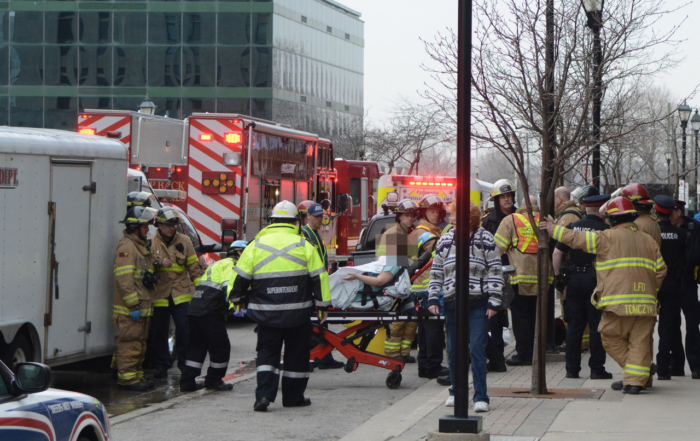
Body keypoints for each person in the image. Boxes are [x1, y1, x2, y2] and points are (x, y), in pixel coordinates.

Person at [541, 196, 667, 394]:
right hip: (646, 304)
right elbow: (661, 270)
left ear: (612, 219)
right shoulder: (649, 241)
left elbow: (576, 239)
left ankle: (637, 376)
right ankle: (636, 379)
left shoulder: (606, 238)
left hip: (617, 304)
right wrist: (650, 291)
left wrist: (552, 229)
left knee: (609, 337)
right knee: (640, 343)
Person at [228, 200, 331, 411]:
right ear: (295, 221)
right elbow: (319, 278)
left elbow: (239, 277)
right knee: (296, 356)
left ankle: (264, 396)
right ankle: (293, 398)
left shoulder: (255, 246)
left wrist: (236, 300)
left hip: (267, 315)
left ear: (271, 221)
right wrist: (323, 306)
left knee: (267, 354)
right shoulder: (305, 245)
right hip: (298, 313)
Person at [428, 201, 502, 411]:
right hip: (452, 303)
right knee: (453, 350)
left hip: (478, 303)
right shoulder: (446, 239)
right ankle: (455, 390)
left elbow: (495, 270)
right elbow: (437, 270)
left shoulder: (485, 238)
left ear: (469, 219)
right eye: (451, 215)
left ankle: (480, 397)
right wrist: (433, 298)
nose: (451, 219)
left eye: (455, 216)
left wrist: (494, 301)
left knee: (477, 348)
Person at [552, 194, 612, 379]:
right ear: (602, 210)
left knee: (575, 326)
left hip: (574, 280)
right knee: (596, 326)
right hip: (597, 282)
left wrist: (558, 276)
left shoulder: (573, 227)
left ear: (586, 208)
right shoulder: (606, 230)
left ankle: (572, 369)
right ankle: (596, 369)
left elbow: (556, 253)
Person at [180, 240, 249, 392]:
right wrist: (235, 308)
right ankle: (214, 380)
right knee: (221, 347)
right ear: (239, 253)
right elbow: (228, 288)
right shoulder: (231, 265)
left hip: (195, 309)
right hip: (209, 311)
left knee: (196, 347)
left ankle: (187, 382)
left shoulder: (217, 264)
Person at [494, 195, 552, 366]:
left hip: (520, 278)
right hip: (543, 278)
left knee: (521, 318)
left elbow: (497, 249)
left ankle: (524, 355)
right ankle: (538, 354)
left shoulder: (510, 220)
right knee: (538, 317)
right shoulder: (547, 219)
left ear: (520, 206)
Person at [148, 207, 203, 378]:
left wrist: (201, 292)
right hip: (160, 294)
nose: (172, 228)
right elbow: (145, 268)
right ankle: (161, 365)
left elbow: (194, 268)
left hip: (180, 293)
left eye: (174, 225)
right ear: (159, 225)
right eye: (168, 225)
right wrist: (157, 263)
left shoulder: (185, 241)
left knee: (183, 329)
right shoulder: (150, 243)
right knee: (159, 331)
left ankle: (184, 364)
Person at [113, 206, 158, 391]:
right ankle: (127, 379)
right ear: (135, 227)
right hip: (131, 309)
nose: (148, 229)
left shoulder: (140, 246)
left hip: (142, 307)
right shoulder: (127, 247)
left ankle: (136, 375)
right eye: (145, 226)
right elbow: (124, 279)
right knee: (130, 344)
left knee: (139, 344)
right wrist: (133, 305)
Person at [301, 201, 344, 370]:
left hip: (318, 283)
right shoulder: (305, 234)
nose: (319, 220)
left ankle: (323, 358)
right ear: (308, 216)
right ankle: (315, 358)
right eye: (316, 216)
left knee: (320, 323)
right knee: (314, 324)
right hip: (312, 284)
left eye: (321, 217)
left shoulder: (314, 234)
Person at [652, 196, 692, 380]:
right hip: (673, 284)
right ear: (671, 212)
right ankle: (664, 369)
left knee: (645, 327)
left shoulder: (652, 234)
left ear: (656, 211)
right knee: (668, 326)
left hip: (653, 284)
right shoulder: (681, 234)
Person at [412, 195, 449, 380]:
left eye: (437, 212)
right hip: (427, 290)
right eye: (431, 211)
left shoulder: (416, 231)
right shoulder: (424, 232)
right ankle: (433, 366)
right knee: (433, 330)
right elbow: (439, 247)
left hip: (418, 289)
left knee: (425, 330)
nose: (435, 215)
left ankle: (424, 366)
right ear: (423, 213)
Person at [481, 179, 517, 373]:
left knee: (514, 317)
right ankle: (497, 358)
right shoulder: (488, 221)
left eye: (509, 195)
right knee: (495, 318)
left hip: (518, 275)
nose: (506, 200)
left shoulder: (520, 217)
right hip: (496, 276)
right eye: (502, 196)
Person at [379, 199, 420, 362]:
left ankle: (404, 352)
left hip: (406, 282)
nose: (410, 219)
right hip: (393, 283)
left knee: (410, 319)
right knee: (397, 321)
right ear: (399, 217)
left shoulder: (407, 233)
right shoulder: (394, 234)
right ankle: (393, 354)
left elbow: (410, 260)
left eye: (412, 216)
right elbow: (401, 262)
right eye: (406, 216)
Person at [666, 199, 700, 379]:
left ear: (679, 212)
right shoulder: (664, 229)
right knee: (672, 325)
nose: (668, 217)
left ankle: (696, 365)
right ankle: (676, 364)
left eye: (670, 213)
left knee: (693, 324)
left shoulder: (695, 227)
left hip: (688, 282)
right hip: (670, 282)